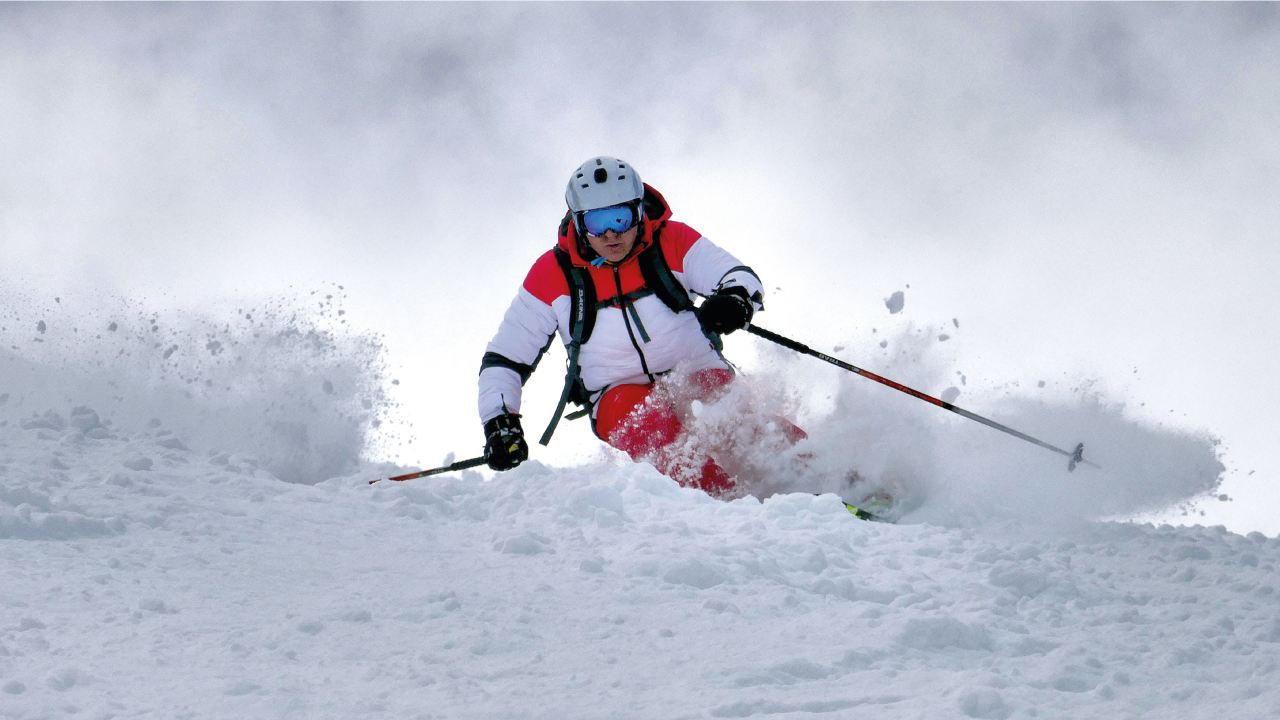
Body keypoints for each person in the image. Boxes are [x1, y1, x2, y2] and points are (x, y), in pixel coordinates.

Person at [477, 156, 802, 497]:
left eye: (620, 217)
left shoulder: (671, 240)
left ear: (638, 210)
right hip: (616, 393)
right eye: (597, 221)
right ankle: (729, 506)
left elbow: (737, 276)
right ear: (578, 221)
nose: (610, 233)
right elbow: (505, 358)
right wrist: (499, 421)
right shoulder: (552, 274)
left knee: (738, 421)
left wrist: (735, 299)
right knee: (651, 426)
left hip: (693, 370)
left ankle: (830, 480)